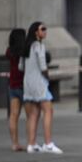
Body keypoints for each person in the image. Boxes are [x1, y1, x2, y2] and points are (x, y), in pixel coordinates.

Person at [19, 22, 63, 154]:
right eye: (42, 29)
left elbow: (20, 67)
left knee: (33, 113)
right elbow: (43, 66)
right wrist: (47, 76)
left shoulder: (26, 47)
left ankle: (31, 144)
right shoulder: (39, 46)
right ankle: (48, 143)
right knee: (48, 110)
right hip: (39, 83)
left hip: (28, 83)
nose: (45, 31)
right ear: (35, 32)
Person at [6, 28, 27, 151]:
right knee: (31, 115)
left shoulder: (9, 51)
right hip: (24, 86)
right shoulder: (24, 51)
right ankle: (31, 142)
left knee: (13, 115)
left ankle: (14, 143)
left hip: (12, 85)